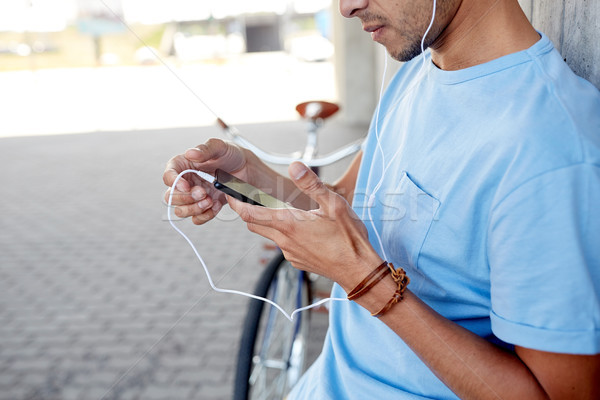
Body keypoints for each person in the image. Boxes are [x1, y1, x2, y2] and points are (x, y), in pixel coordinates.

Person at [163, 0, 600, 398]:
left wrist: (363, 280)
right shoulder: (417, 70)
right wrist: (252, 179)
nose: (346, 7)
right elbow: (349, 207)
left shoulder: (552, 151)